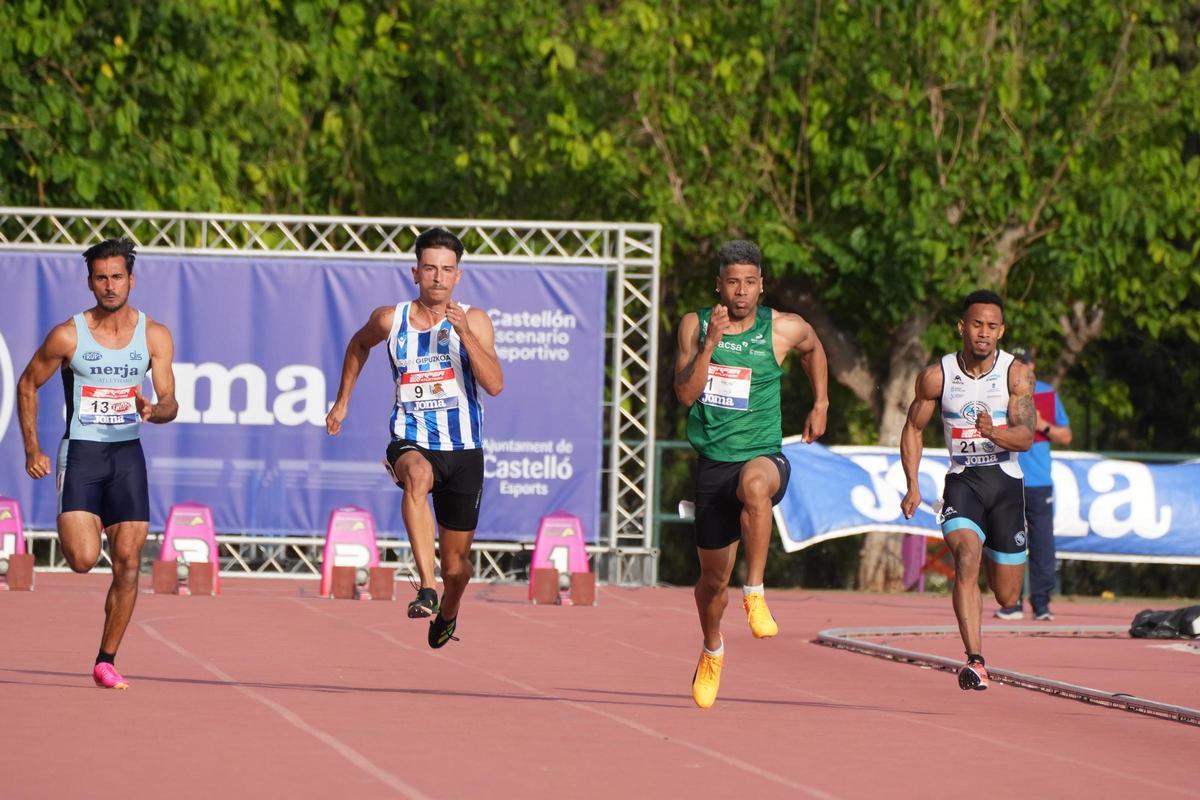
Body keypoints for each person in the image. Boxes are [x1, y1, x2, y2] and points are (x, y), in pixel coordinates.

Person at [326, 228, 503, 649]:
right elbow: (357, 345)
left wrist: (466, 337)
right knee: (417, 476)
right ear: (415, 272)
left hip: (463, 450)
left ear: (457, 276)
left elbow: (495, 384)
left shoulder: (474, 320)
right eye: (430, 269)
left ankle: (448, 609)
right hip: (411, 438)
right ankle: (426, 586)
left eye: (447, 270)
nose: (438, 278)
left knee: (458, 568)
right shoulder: (392, 319)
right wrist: (342, 401)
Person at [16, 237, 178, 690]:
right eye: (101, 278)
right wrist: (33, 449)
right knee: (85, 560)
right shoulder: (69, 334)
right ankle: (77, 514)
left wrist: (153, 410)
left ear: (131, 279)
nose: (109, 286)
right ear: (90, 282)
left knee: (128, 562)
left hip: (127, 455)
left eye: (117, 277)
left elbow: (170, 402)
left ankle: (106, 659)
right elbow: (27, 384)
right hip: (83, 453)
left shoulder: (154, 335)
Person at [673, 239, 828, 709]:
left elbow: (814, 348)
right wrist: (710, 345)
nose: (741, 291)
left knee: (755, 486)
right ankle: (712, 647)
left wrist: (820, 401)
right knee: (710, 585)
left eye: (749, 283)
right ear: (718, 285)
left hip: (763, 454)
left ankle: (756, 592)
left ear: (761, 286)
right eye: (732, 282)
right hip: (713, 464)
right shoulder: (694, 325)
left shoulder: (782, 328)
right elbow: (685, 394)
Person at [900, 289, 1035, 691]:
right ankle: (976, 661)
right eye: (977, 325)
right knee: (965, 556)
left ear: (1001, 331)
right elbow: (913, 428)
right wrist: (912, 485)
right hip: (963, 481)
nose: (984, 333)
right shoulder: (937, 376)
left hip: (1005, 484)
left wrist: (996, 432)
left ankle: (1000, 569)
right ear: (962, 327)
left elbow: (1027, 436)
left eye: (992, 327)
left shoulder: (1016, 374)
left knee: (1007, 595)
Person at [995, 345, 1072, 622]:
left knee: (1042, 544)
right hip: (1006, 476)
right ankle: (1010, 601)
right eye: (1016, 363)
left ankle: (1041, 603)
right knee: (1006, 541)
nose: (1022, 367)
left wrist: (1042, 424)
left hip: (1039, 481)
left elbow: (1066, 436)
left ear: (1033, 365)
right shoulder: (999, 391)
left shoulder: (1048, 393)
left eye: (1025, 362)